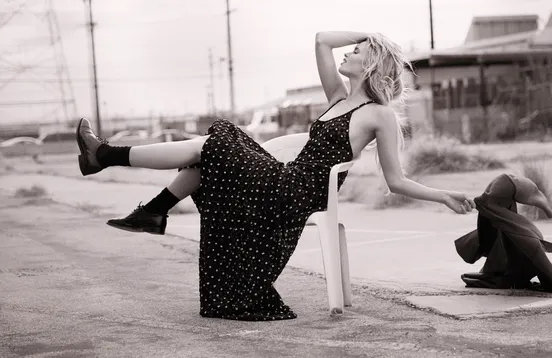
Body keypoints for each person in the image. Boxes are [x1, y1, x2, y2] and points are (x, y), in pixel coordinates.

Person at [76, 31, 475, 321]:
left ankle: (112, 162)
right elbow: (321, 39)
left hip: (295, 193)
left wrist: (443, 195)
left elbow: (396, 181)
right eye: (353, 48)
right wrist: (368, 35)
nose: (348, 51)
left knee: (216, 141)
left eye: (357, 51)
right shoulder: (338, 98)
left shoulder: (379, 115)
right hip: (283, 178)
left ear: (371, 64)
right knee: (212, 149)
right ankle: (150, 208)